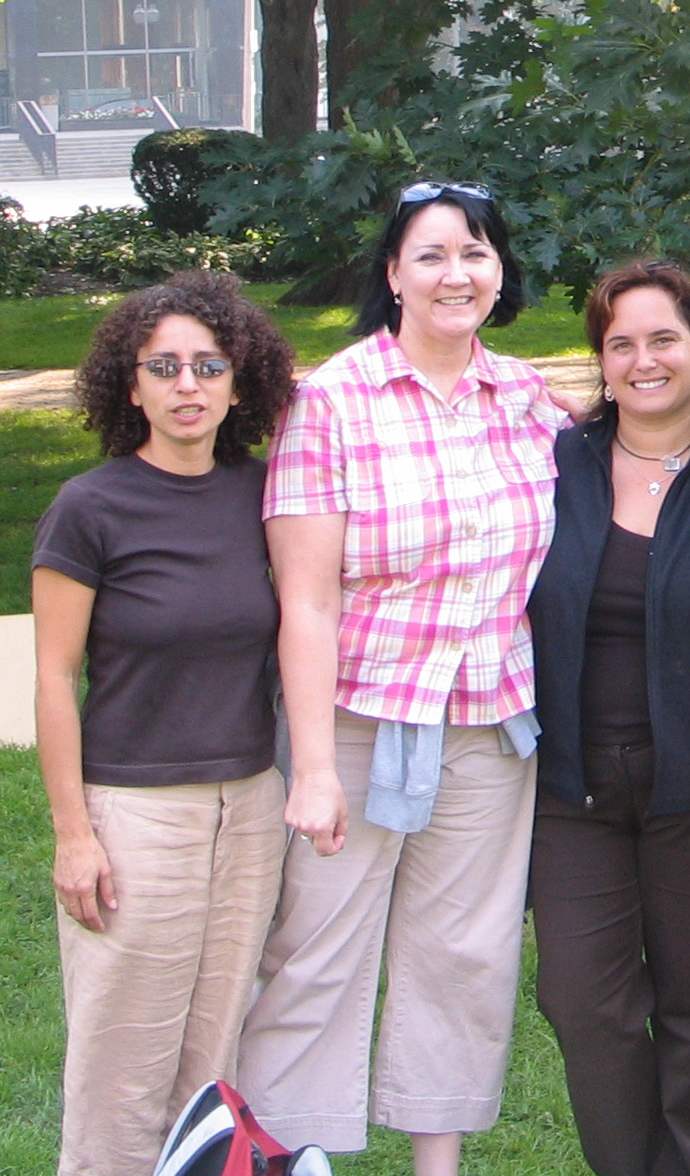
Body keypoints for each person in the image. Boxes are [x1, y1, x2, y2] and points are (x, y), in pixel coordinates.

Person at [234, 180, 562, 1176]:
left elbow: (625, 465)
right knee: (317, 956)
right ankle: (287, 1156)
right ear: (391, 276)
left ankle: (437, 1164)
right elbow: (308, 601)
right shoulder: (329, 403)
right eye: (429, 255)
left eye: (473, 252)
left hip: (488, 726)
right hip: (358, 724)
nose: (454, 273)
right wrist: (319, 771)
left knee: (461, 957)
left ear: (498, 272)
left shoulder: (528, 398)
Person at [33, 270, 294, 1176]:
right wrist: (74, 835)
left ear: (239, 379)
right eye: (165, 367)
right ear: (130, 384)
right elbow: (55, 676)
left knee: (212, 1065)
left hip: (250, 809)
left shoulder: (265, 497)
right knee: (123, 1066)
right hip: (135, 814)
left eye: (208, 365)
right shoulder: (89, 508)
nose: (189, 385)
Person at [527, 260, 690, 1176]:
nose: (643, 360)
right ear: (601, 360)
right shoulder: (555, 464)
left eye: (664, 339)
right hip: (570, 783)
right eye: (621, 343)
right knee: (588, 1006)